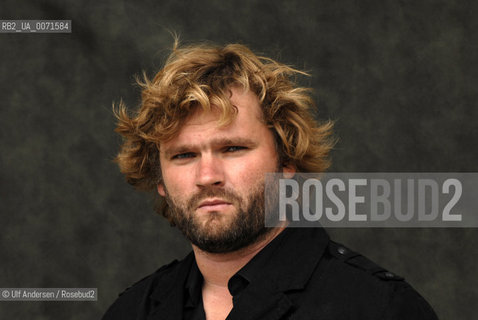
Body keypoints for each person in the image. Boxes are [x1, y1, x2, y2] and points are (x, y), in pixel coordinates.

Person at [102, 41, 438, 320]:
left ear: (286, 163)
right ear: (160, 180)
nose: (207, 177)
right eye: (184, 155)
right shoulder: (131, 312)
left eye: (233, 148)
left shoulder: (380, 308)